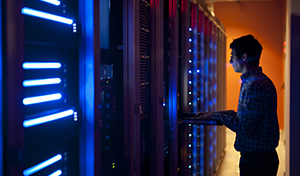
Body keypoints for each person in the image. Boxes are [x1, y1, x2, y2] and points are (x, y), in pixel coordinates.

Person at [195, 34, 280, 176]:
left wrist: (220, 118)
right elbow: (242, 118)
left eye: (232, 55)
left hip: (257, 163)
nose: (230, 60)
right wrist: (212, 115)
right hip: (259, 159)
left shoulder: (255, 85)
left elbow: (244, 128)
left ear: (244, 57)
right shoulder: (254, 82)